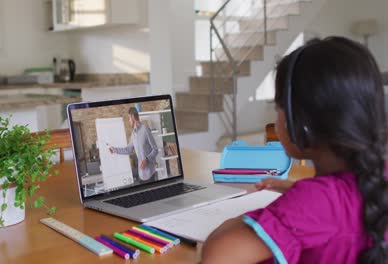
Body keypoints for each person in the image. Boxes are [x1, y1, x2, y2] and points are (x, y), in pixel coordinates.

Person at [201, 36, 388, 263]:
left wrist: (269, 214)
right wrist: (296, 192)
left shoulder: (315, 202)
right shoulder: (377, 178)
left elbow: (216, 257)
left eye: (277, 106)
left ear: (302, 122)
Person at [109, 107, 159, 183]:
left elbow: (155, 149)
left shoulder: (145, 129)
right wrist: (114, 149)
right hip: (141, 175)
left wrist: (147, 160)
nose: (129, 121)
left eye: (129, 118)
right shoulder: (133, 135)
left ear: (132, 116)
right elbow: (128, 150)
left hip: (150, 174)